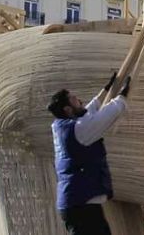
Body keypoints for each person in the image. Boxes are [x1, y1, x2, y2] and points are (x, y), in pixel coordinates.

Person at [47, 73, 131, 235]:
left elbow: (88, 111)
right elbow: (106, 116)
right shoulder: (80, 130)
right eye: (74, 99)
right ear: (68, 109)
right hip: (81, 206)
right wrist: (123, 95)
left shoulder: (62, 126)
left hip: (77, 203)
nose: (79, 100)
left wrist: (106, 90)